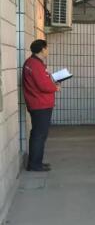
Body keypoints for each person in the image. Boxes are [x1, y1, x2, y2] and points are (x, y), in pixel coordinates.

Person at [22, 39, 60, 172]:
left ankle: (36, 162)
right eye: (47, 48)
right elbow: (43, 85)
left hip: (37, 103)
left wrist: (51, 82)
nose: (47, 50)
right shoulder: (35, 64)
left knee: (38, 134)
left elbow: (42, 81)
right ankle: (35, 165)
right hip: (40, 104)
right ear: (42, 49)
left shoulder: (32, 62)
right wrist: (55, 87)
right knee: (39, 135)